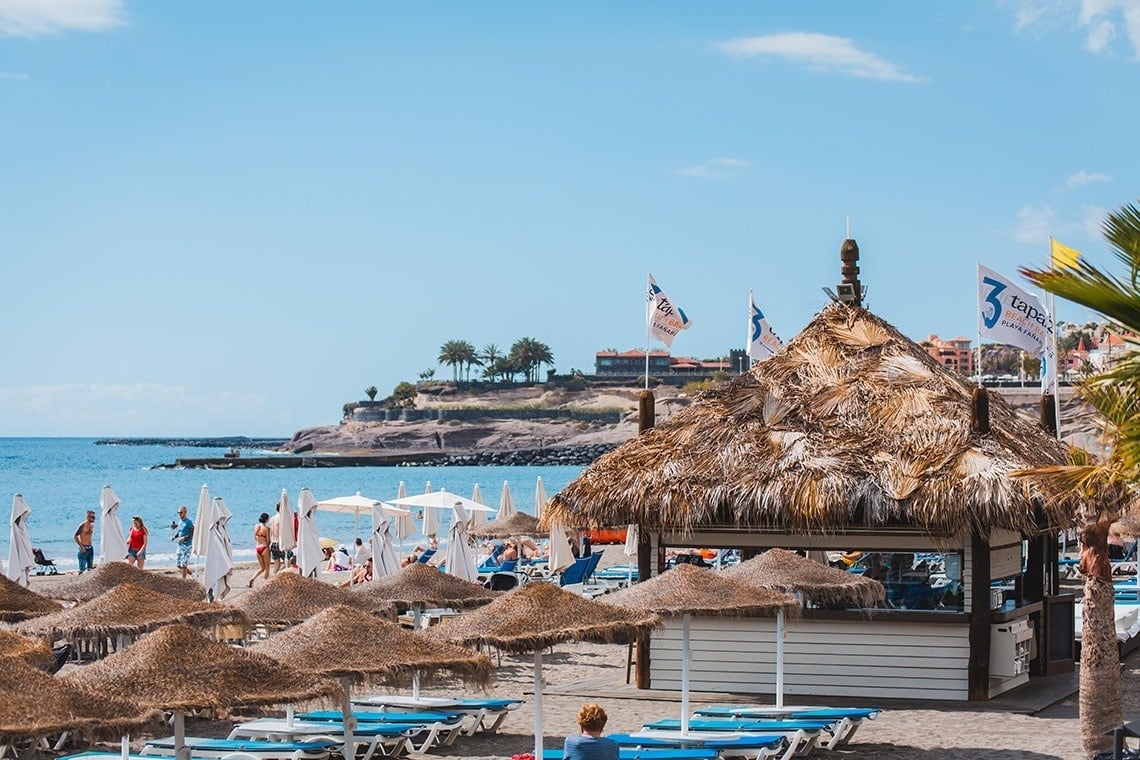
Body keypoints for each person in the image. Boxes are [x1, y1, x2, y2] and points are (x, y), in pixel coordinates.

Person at [172, 505, 194, 579]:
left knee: (183, 565)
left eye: (181, 512)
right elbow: (179, 532)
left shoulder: (189, 522)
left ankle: (183, 580)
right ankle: (192, 574)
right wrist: (174, 537)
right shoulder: (180, 521)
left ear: (185, 513)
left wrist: (184, 538)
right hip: (180, 546)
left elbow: (192, 533)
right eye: (178, 513)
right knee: (178, 564)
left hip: (187, 545)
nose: (179, 514)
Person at [249, 512, 271, 587]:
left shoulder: (256, 527)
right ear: (266, 520)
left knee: (261, 568)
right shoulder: (267, 529)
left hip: (258, 548)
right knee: (267, 568)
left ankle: (252, 578)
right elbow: (268, 541)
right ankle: (266, 584)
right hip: (264, 548)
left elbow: (255, 538)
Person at [74, 510, 96, 574]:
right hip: (83, 549)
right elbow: (75, 536)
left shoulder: (92, 525)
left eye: (94, 517)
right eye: (92, 517)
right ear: (87, 517)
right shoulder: (82, 525)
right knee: (82, 570)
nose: (93, 519)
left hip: (90, 548)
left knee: (90, 569)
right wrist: (81, 546)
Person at [268, 503, 283, 575]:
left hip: (273, 543)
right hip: (280, 543)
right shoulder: (281, 518)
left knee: (277, 565)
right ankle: (279, 575)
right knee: (289, 562)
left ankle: (275, 577)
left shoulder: (272, 519)